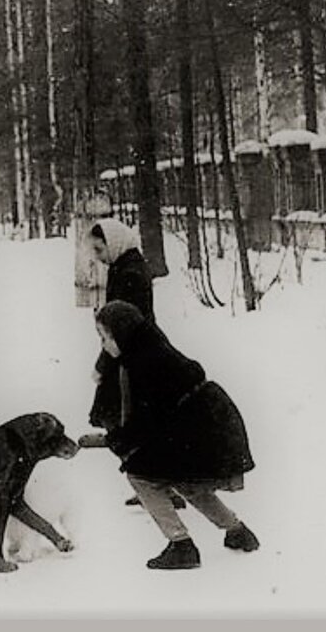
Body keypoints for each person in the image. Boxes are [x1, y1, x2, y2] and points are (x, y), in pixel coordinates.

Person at [88, 301, 259, 570]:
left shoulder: (144, 363)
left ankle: (181, 546)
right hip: (206, 422)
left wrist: (115, 440)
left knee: (140, 475)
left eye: (105, 337)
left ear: (120, 333)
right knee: (185, 480)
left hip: (201, 427)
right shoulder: (146, 346)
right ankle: (237, 531)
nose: (104, 345)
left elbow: (147, 419)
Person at [85, 219, 186, 511]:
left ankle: (156, 482)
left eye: (99, 248)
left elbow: (124, 327)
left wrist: (102, 365)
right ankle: (152, 480)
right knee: (125, 418)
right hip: (132, 354)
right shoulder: (126, 266)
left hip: (133, 357)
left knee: (125, 419)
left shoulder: (130, 273)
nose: (97, 255)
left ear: (113, 243)